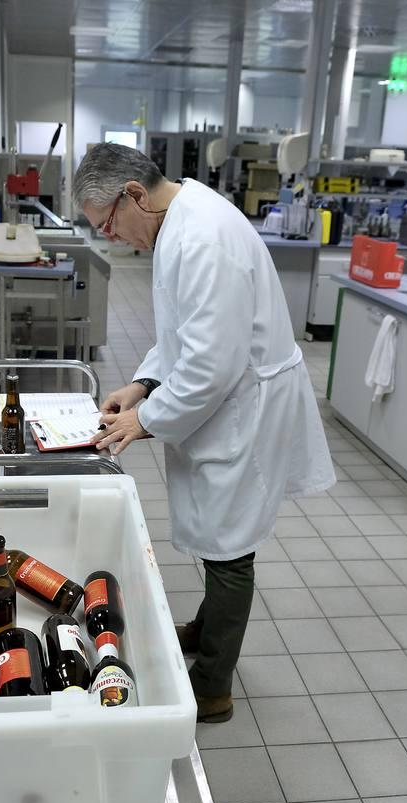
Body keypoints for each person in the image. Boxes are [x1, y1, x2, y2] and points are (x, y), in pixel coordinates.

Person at [73, 143, 335, 723]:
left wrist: (144, 421)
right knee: (220, 537)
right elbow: (181, 333)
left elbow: (210, 366)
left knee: (231, 548)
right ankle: (208, 626)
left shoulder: (203, 239)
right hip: (225, 398)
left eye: (108, 223)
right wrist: (142, 384)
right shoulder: (178, 220)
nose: (112, 237)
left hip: (244, 407)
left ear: (134, 195)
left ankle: (213, 684)